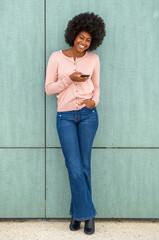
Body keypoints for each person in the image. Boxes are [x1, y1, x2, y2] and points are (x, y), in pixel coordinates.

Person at [45, 12, 106, 235]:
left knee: (84, 165)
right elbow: (48, 88)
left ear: (93, 41)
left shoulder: (94, 59)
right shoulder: (56, 58)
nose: (84, 42)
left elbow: (97, 86)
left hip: (88, 115)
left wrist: (94, 101)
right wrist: (69, 79)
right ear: (73, 35)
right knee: (73, 166)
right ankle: (88, 215)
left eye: (88, 40)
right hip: (66, 117)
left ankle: (77, 214)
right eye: (81, 37)